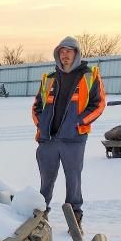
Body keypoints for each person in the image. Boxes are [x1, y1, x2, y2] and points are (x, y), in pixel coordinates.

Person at [32, 36, 106, 230]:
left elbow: (98, 105)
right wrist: (42, 125)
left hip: (74, 139)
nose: (65, 55)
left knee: (73, 178)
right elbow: (37, 106)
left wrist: (79, 123)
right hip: (48, 139)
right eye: (61, 51)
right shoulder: (49, 78)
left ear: (77, 53)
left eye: (69, 51)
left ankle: (75, 216)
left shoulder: (90, 76)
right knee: (46, 179)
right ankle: (41, 214)